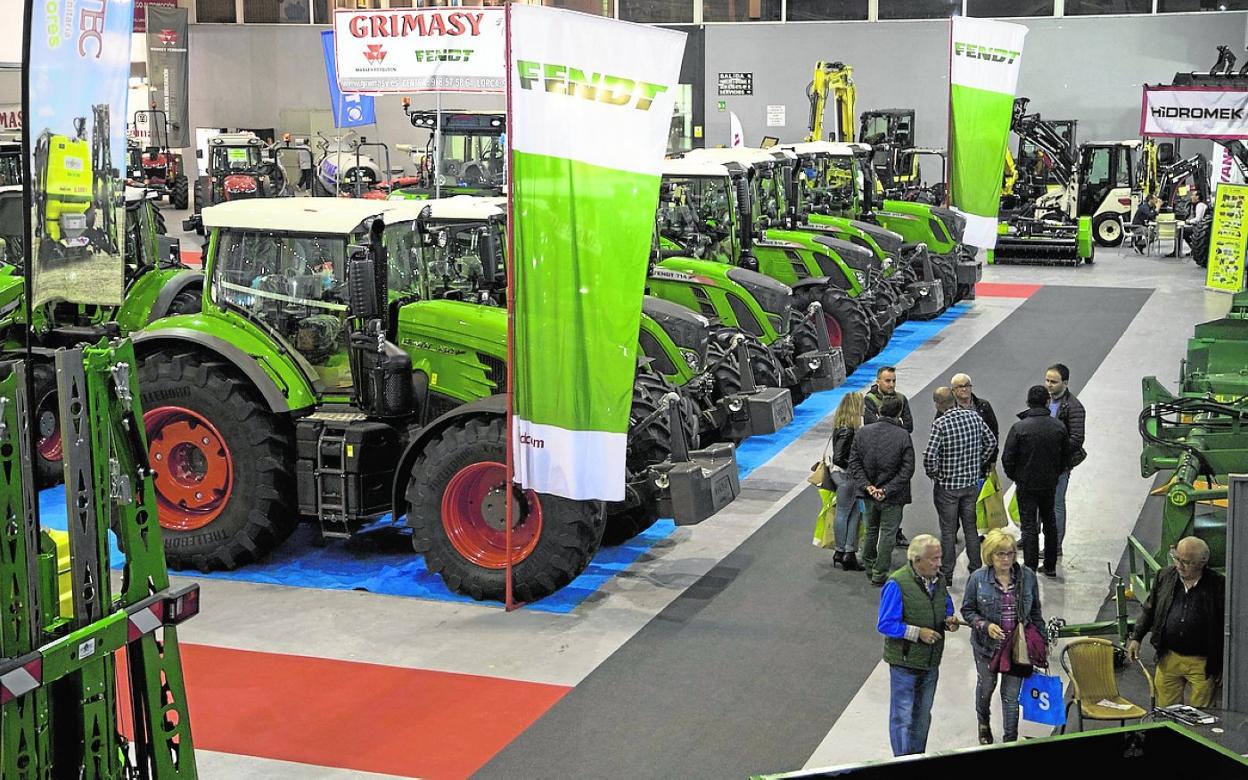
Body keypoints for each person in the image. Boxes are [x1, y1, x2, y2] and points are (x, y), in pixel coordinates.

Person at [877, 534, 959, 756]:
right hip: (904, 663)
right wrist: (917, 633)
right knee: (902, 716)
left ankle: (917, 756)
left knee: (922, 716)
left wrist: (949, 620)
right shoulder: (897, 583)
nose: (939, 563)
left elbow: (946, 606)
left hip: (931, 662)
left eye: (939, 557)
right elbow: (885, 624)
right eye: (934, 559)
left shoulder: (939, 580)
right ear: (916, 560)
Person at [961, 530, 1044, 745]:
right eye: (1000, 554)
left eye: (1009, 553)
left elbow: (1035, 611)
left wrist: (1040, 641)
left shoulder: (1027, 577)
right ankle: (983, 722)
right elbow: (968, 610)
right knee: (986, 687)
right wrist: (985, 626)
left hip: (1017, 648)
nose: (1005, 559)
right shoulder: (978, 579)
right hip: (986, 648)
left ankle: (1010, 740)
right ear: (990, 555)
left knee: (1010, 697)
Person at [1127, 537, 1225, 708]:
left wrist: (1224, 664)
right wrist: (1137, 637)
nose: (1179, 565)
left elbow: (1227, 625)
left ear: (1202, 562)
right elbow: (1150, 609)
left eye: (1186, 562)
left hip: (1202, 663)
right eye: (1176, 558)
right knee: (1166, 712)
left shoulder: (1218, 585)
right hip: (1169, 658)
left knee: (1201, 717)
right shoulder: (1164, 577)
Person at [923, 386, 996, 586]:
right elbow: (991, 441)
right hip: (971, 484)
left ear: (938, 404)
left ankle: (946, 575)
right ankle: (976, 569)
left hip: (947, 487)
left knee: (948, 532)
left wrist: (936, 473)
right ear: (954, 398)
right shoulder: (974, 417)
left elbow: (929, 456)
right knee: (970, 528)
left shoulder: (940, 424)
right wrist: (978, 462)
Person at [1002, 385, 1069, 576]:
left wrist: (1016, 476)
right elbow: (1066, 456)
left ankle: (1030, 566)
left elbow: (1008, 458)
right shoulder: (1058, 427)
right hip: (1049, 483)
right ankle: (1050, 566)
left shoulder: (1019, 428)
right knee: (1050, 522)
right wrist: (1055, 474)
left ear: (1028, 402)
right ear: (1047, 401)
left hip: (1026, 483)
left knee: (1029, 525)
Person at [850, 396, 915, 586]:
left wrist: (868, 486)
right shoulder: (903, 435)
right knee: (888, 533)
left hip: (869, 494)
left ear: (879, 410)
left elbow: (854, 462)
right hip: (893, 496)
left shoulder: (862, 433)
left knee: (871, 530)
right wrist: (886, 490)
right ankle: (880, 573)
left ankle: (870, 566)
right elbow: (907, 469)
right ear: (898, 413)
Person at [864, 366, 913, 547]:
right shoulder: (869, 400)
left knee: (897, 498)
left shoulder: (901, 399)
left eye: (893, 381)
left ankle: (895, 531)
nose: (891, 384)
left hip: (897, 457)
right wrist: (896, 423)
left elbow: (909, 425)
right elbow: (871, 425)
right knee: (874, 507)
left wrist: (887, 421)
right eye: (887, 381)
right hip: (875, 459)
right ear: (878, 382)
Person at [1044, 363, 1085, 559]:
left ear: (1065, 383)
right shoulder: (1044, 401)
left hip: (1060, 465)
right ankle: (1030, 536)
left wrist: (1055, 451)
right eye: (1047, 380)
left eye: (1053, 382)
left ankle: (1056, 544)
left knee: (1056, 504)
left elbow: (1077, 439)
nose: (1049, 385)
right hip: (1041, 462)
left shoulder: (1074, 407)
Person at [830, 392, 865, 572]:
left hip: (838, 475)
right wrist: (855, 468)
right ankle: (846, 551)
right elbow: (839, 457)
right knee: (848, 513)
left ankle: (842, 551)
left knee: (848, 513)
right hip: (847, 476)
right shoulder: (849, 429)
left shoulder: (839, 426)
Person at [951, 372, 998, 470]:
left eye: (967, 385)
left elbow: (994, 433)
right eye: (960, 386)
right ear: (953, 390)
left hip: (981, 465)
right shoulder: (947, 409)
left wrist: (990, 460)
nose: (964, 389)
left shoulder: (984, 406)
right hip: (956, 466)